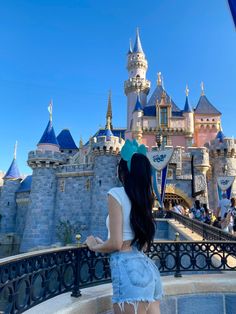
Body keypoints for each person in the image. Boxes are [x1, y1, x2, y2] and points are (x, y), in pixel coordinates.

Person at [86, 139, 163, 314]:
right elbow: (136, 242)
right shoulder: (145, 199)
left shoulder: (116, 194)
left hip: (128, 270)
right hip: (147, 268)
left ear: (123, 172)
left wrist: (94, 245)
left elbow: (116, 244)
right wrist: (104, 241)